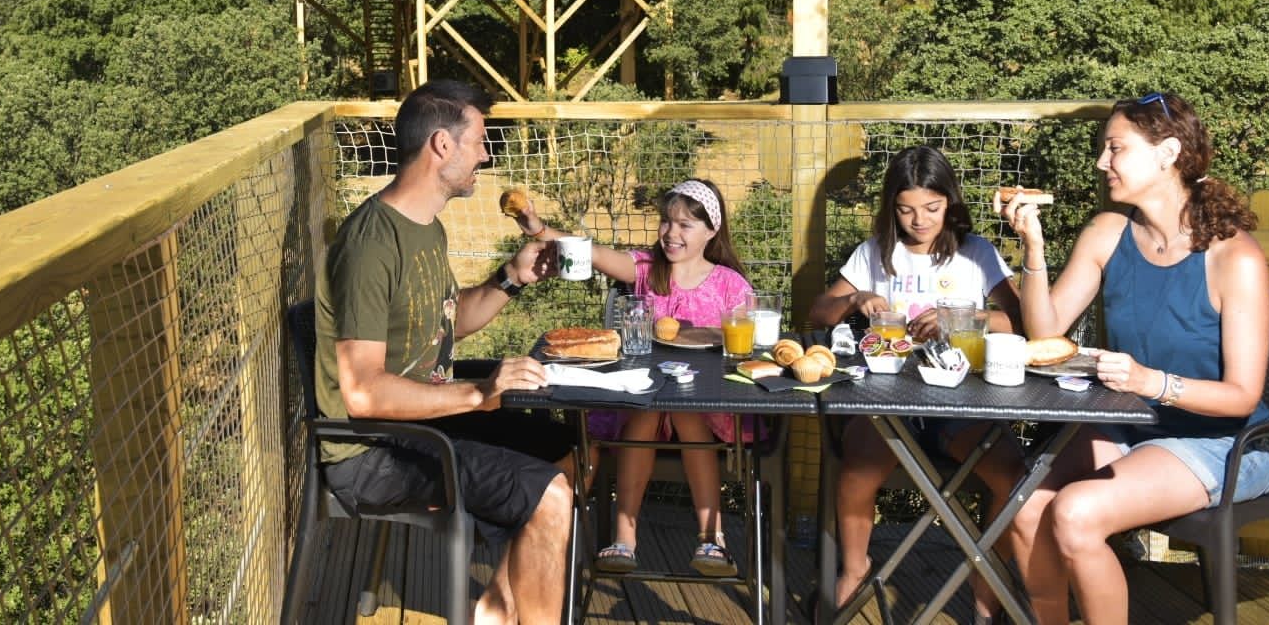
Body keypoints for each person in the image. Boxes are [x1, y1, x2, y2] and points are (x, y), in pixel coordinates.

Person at [999, 93, 1269, 625]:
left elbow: (1242, 396)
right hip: (1128, 422)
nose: (1101, 162)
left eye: (1116, 148)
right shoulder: (1107, 232)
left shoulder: (1234, 257)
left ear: (1168, 153)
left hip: (1222, 443)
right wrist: (1034, 247)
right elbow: (1046, 333)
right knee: (1026, 505)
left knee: (1075, 512)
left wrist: (1152, 382)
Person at [315, 80, 574, 625]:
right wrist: (479, 393)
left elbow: (448, 325)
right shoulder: (370, 244)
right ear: (441, 145)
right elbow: (363, 393)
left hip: (422, 423)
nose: (486, 155)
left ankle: (498, 607)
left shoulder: (426, 229)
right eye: (478, 142)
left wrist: (511, 278)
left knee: (570, 451)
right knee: (551, 495)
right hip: (371, 451)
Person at [809, 144, 1026, 623]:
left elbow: (1019, 320)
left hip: (961, 400)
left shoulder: (975, 253)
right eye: (906, 209)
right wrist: (855, 301)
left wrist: (959, 318)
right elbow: (818, 311)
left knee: (1013, 475)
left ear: (950, 202)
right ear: (891, 208)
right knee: (856, 469)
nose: (919, 220)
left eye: (932, 207)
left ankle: (987, 575)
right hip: (887, 398)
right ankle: (854, 568)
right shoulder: (874, 253)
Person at [511, 178, 753, 578]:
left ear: (712, 231)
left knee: (686, 412)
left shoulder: (730, 285)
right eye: (666, 221)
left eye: (685, 225)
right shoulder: (645, 269)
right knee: (643, 411)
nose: (671, 233)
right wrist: (539, 229)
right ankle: (624, 537)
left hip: (706, 405)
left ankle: (712, 536)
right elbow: (590, 252)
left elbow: (749, 341)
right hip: (644, 395)